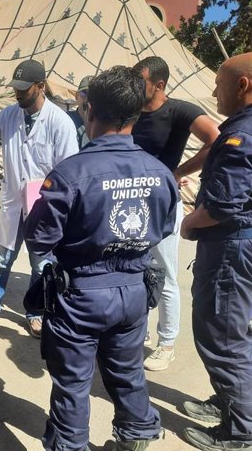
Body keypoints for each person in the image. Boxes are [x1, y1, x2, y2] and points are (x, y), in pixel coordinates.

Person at [24, 66, 178, 451]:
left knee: (73, 384)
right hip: (134, 293)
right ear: (137, 113)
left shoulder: (70, 173)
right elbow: (162, 229)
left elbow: (39, 238)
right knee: (128, 374)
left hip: (81, 297)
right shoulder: (161, 173)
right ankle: (136, 436)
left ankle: (69, 445)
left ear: (89, 111)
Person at [0, 58, 78, 337]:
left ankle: (35, 312)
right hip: (13, 202)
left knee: (41, 263)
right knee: (3, 259)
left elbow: (69, 169)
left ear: (40, 87)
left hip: (44, 205)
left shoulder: (59, 121)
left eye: (23, 89)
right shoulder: (8, 115)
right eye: (15, 89)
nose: (17, 94)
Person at [180, 52, 252, 451]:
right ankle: (232, 403)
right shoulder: (240, 127)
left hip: (230, 246)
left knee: (223, 335)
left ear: (242, 85)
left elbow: (225, 205)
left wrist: (190, 223)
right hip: (239, 244)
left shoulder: (243, 135)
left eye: (219, 82)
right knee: (236, 331)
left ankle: (240, 431)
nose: (213, 90)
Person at [131, 56, 220, 371]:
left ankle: (166, 342)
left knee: (165, 272)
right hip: (130, 204)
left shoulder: (178, 110)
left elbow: (216, 138)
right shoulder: (131, 113)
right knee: (135, 269)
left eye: (139, 80)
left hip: (163, 204)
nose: (134, 84)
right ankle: (136, 331)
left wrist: (177, 171)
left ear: (159, 84)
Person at [67, 75, 93, 149]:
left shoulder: (101, 124)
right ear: (76, 96)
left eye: (92, 94)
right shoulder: (66, 120)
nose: (87, 98)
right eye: (84, 93)